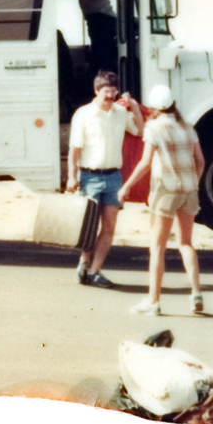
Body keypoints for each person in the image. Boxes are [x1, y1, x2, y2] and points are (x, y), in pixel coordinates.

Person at [117, 85, 205, 316]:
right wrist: (193, 183)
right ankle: (196, 292)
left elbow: (145, 162)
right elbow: (200, 161)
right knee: (186, 243)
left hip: (165, 190)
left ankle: (153, 302)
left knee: (157, 247)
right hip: (189, 190)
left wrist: (127, 186)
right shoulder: (187, 127)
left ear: (154, 107)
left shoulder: (153, 128)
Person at [67, 70, 144, 287]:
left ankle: (95, 270)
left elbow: (140, 131)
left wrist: (135, 108)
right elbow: (75, 149)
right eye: (106, 93)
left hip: (113, 177)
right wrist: (71, 176)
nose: (110, 97)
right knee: (89, 227)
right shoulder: (83, 114)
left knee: (109, 227)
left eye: (113, 92)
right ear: (96, 91)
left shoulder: (120, 113)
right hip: (90, 176)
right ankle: (84, 262)